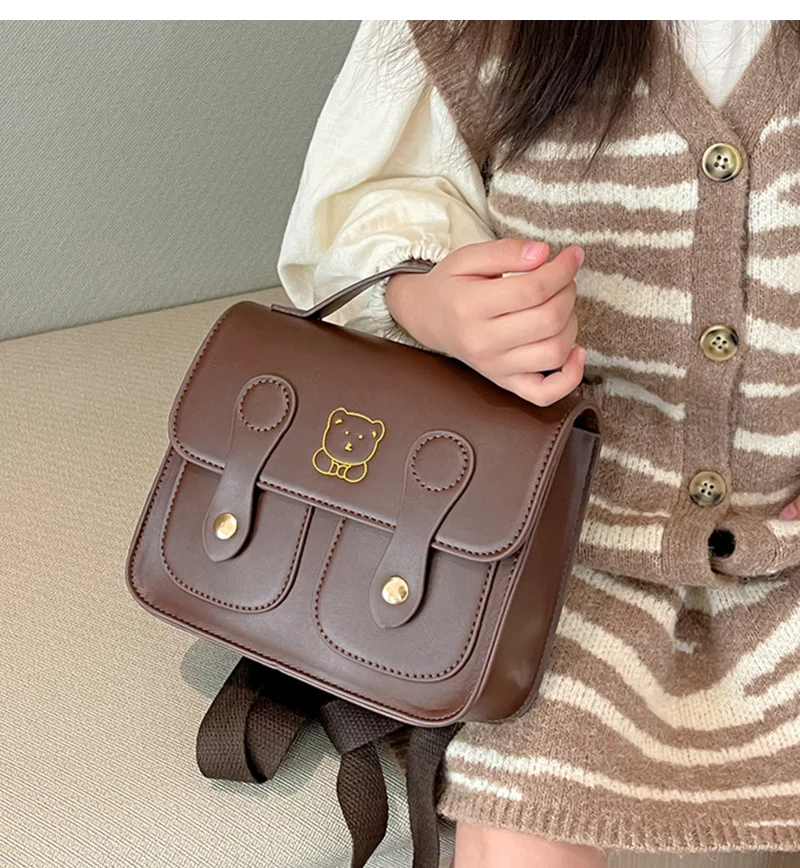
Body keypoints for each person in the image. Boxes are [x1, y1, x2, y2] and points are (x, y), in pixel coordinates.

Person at [278, 19, 800, 867]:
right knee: (520, 829)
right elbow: (366, 219)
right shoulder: (474, 26)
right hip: (559, 562)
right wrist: (433, 303)